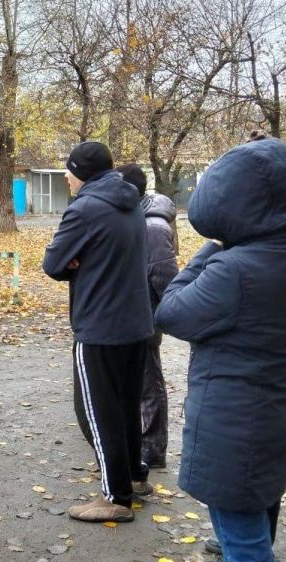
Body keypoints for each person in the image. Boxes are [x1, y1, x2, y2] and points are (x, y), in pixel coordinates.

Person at [155, 137, 286, 562]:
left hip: (233, 422)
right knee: (259, 517)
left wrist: (207, 252)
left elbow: (170, 312)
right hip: (284, 411)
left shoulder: (234, 267)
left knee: (242, 540)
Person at [42, 141, 154, 523]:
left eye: (69, 171)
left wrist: (76, 260)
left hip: (100, 326)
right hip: (137, 324)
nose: (67, 178)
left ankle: (115, 496)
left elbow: (53, 263)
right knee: (125, 408)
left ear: (82, 172)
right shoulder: (133, 203)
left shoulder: (85, 208)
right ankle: (135, 476)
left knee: (94, 412)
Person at [116, 164, 179, 469]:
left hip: (145, 314)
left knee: (148, 383)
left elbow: (165, 276)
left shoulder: (152, 226)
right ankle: (141, 443)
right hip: (130, 312)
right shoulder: (136, 217)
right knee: (138, 381)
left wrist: (163, 315)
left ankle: (153, 449)